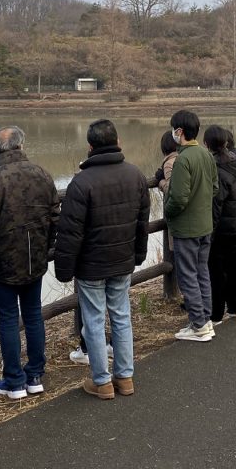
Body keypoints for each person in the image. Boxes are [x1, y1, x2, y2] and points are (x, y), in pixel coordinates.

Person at [54, 119, 150, 399]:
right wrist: (139, 254)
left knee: (93, 320)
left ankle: (102, 381)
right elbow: (141, 222)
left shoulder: (81, 183)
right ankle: (126, 377)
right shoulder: (135, 175)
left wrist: (63, 269)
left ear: (90, 146)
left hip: (91, 265)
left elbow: (70, 233)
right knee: (121, 316)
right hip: (122, 260)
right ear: (118, 142)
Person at [0, 126, 60, 400]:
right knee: (33, 315)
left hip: (3, 263)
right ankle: (35, 374)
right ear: (21, 145)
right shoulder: (41, 173)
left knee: (8, 319)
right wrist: (46, 247)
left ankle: (14, 380)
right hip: (34, 258)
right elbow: (54, 217)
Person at [164, 109, 219, 342]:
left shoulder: (183, 159)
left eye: (173, 129)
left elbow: (178, 198)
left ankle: (198, 324)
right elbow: (215, 188)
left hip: (186, 228)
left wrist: (167, 211)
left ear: (179, 132)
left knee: (187, 276)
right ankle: (205, 319)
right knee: (202, 272)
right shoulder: (206, 154)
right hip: (205, 224)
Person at [204, 126, 236, 324]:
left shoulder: (214, 167)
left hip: (223, 225)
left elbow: (216, 204)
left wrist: (211, 230)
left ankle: (216, 312)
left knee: (217, 268)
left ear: (207, 144)